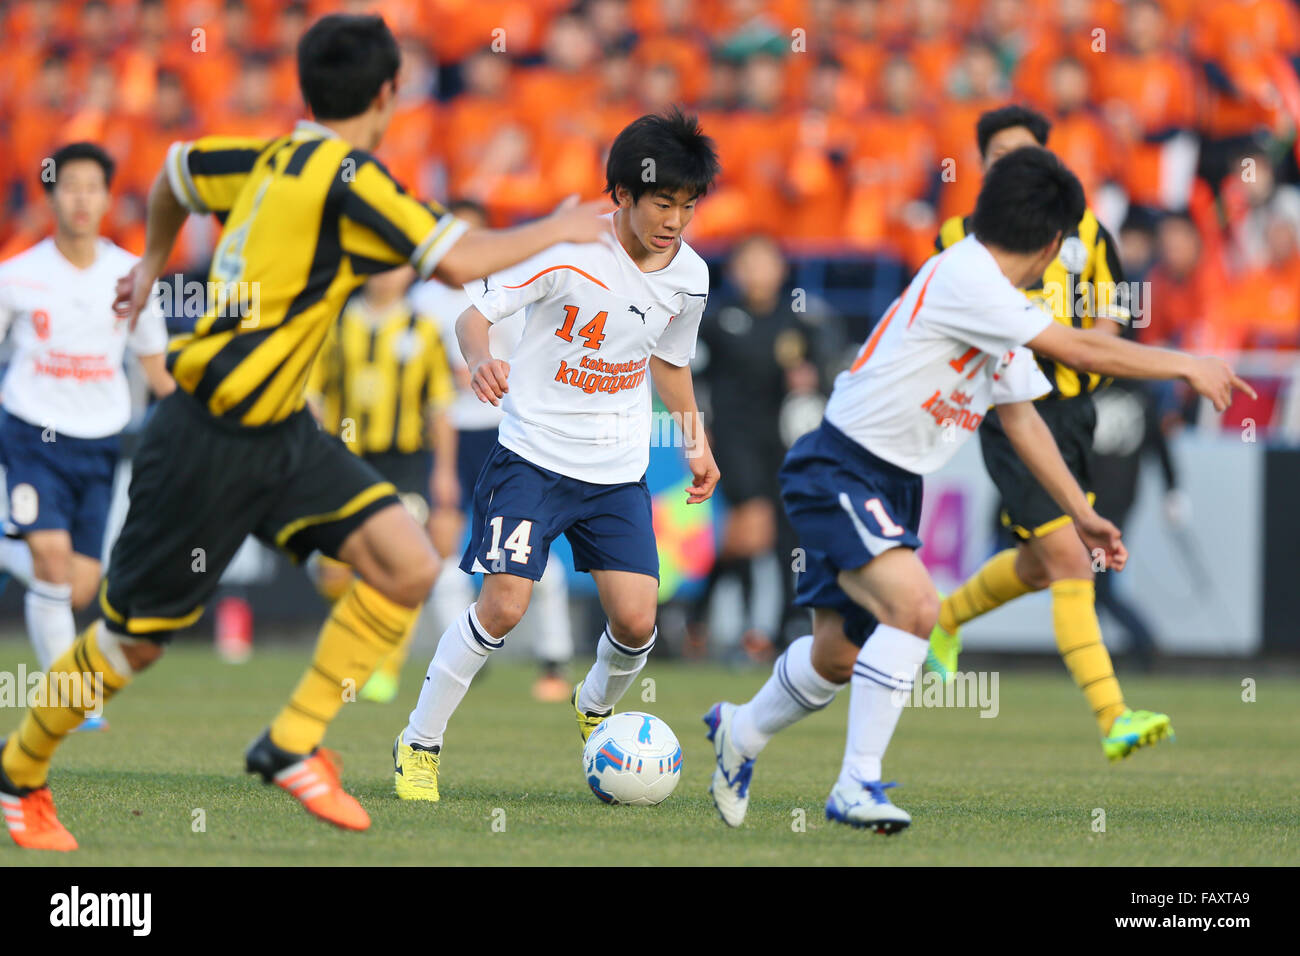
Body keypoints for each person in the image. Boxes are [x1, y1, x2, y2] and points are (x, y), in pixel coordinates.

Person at [0, 13, 609, 852]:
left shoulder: (261, 155)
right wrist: (563, 226)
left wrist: (150, 261)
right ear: (391, 93)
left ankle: (291, 742)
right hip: (206, 434)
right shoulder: (350, 178)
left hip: (281, 431)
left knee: (406, 561)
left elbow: (175, 173)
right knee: (130, 645)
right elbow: (460, 260)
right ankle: (19, 772)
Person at [704, 146, 1252, 832]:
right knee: (916, 607)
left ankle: (741, 733)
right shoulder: (972, 279)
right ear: (1054, 243)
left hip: (889, 479)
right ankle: (855, 785)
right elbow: (1080, 349)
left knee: (837, 655)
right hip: (840, 466)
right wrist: (1185, 364)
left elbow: (1021, 420)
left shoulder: (994, 301)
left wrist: (1081, 512)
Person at [392, 108, 721, 802]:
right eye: (662, 202)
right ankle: (419, 743)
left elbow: (670, 365)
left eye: (687, 207)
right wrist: (480, 358)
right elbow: (472, 314)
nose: (674, 221)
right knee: (503, 607)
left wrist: (696, 445)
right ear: (623, 196)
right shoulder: (567, 250)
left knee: (636, 621)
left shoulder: (690, 277)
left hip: (616, 473)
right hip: (532, 459)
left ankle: (594, 707)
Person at [927, 104, 1169, 763]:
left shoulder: (1087, 229)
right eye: (1000, 155)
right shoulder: (956, 235)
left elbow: (1112, 317)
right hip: (1011, 411)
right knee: (1070, 559)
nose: (1012, 164)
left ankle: (943, 620)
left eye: (1024, 153)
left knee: (1040, 562)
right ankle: (1114, 715)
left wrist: (1086, 351)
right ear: (982, 167)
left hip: (1075, 412)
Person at [0, 142, 174, 733]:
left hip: (99, 442)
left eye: (90, 187)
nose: (79, 198)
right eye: (68, 185)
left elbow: (157, 373)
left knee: (78, 586)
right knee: (49, 558)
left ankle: (7, 548)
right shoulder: (17, 276)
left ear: (107, 198)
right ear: (51, 195)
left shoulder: (132, 275)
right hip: (30, 433)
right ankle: (69, 699)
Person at [411, 199, 576, 704]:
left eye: (476, 235)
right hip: (443, 436)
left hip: (506, 431)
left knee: (527, 551)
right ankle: (464, 661)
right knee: (440, 552)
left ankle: (553, 661)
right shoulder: (421, 301)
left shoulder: (515, 284)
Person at [304, 264, 457, 704]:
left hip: (405, 461)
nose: (387, 275)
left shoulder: (423, 330)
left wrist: (444, 473)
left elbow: (440, 407)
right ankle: (359, 647)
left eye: (397, 266)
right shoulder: (336, 323)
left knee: (402, 566)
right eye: (379, 264)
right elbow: (312, 393)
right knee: (333, 570)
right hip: (347, 459)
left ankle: (384, 668)